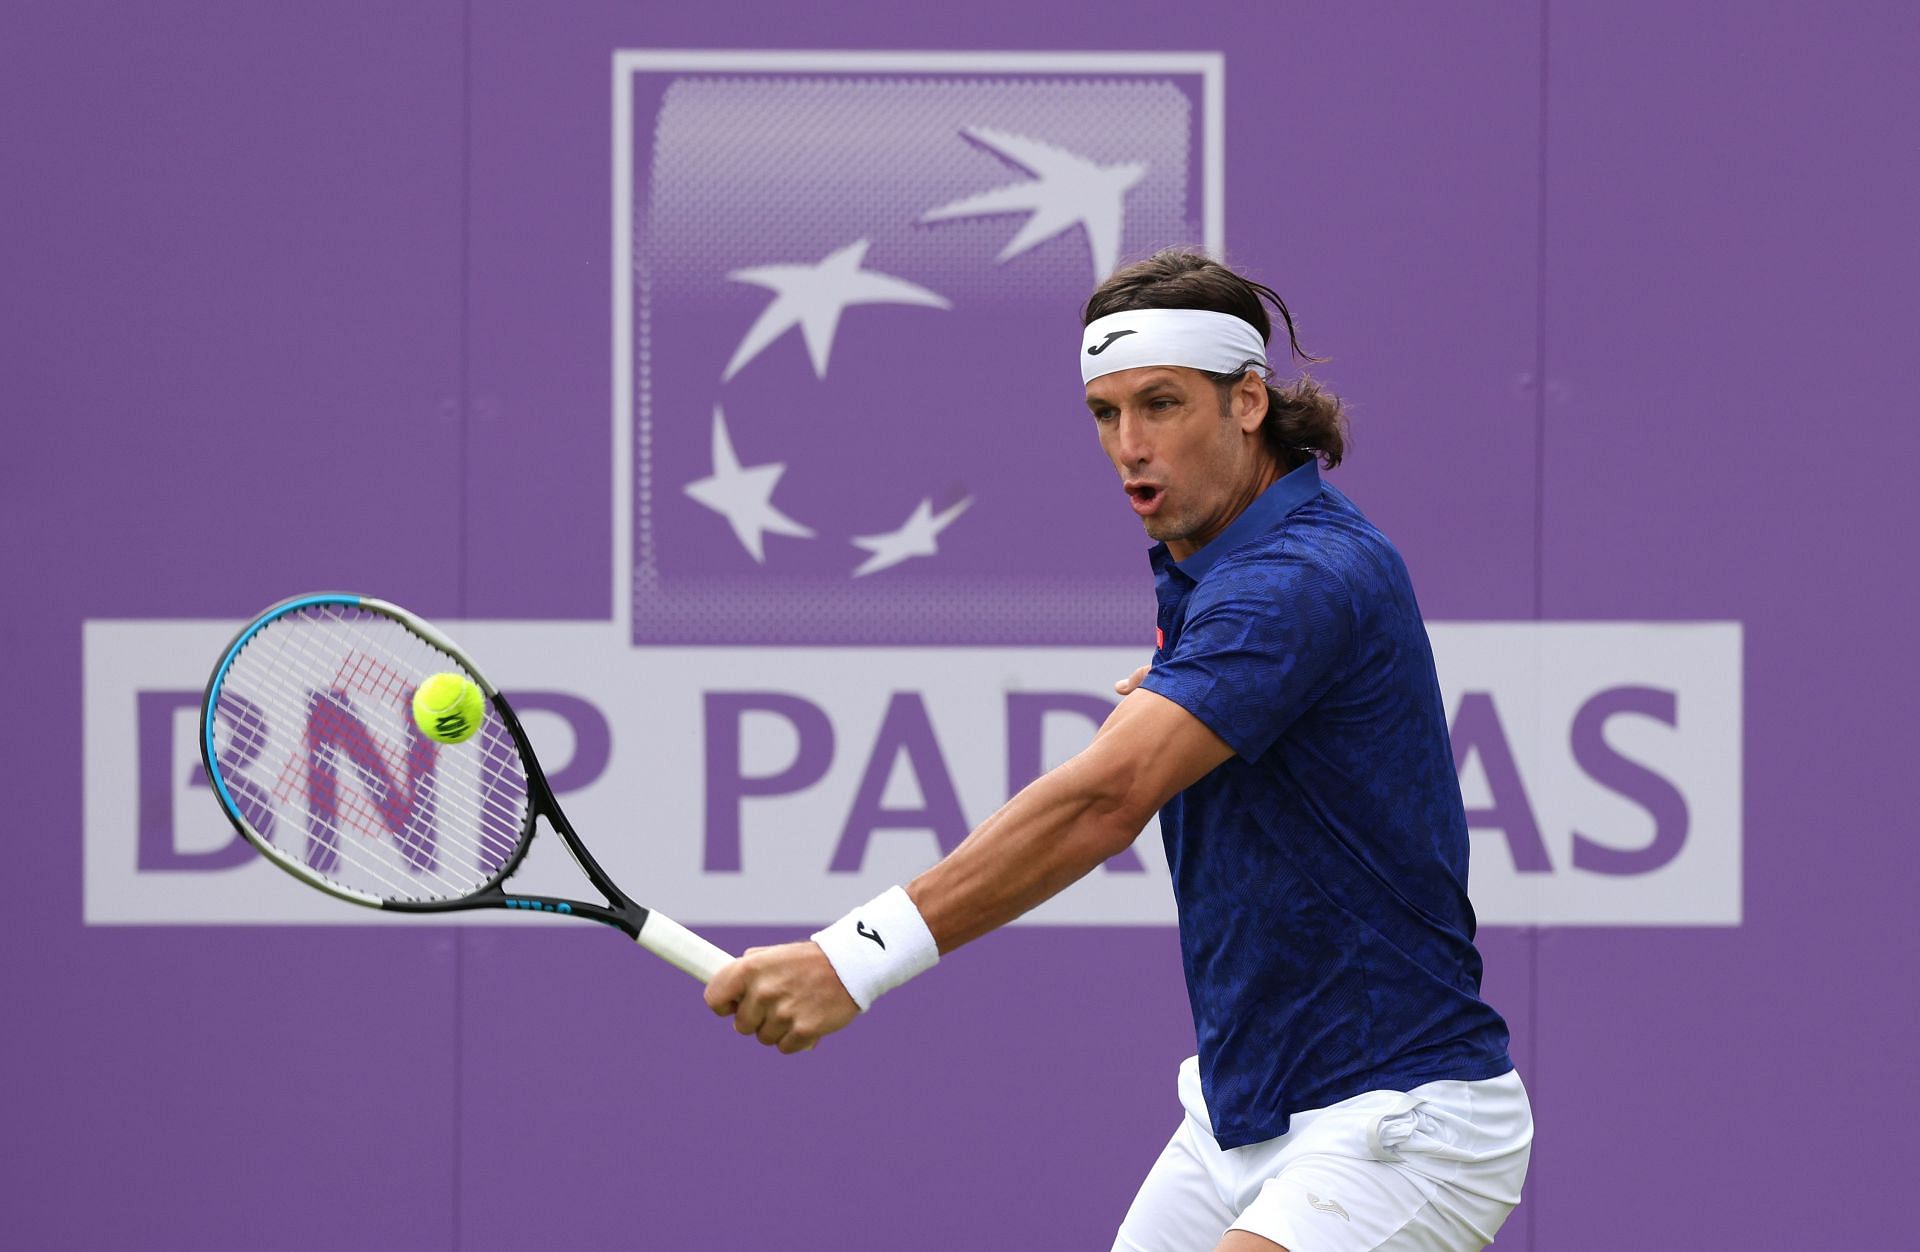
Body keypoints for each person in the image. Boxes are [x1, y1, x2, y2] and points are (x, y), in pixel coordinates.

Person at [704, 248, 1532, 1251]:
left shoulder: (1296, 578)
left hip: (1399, 1120)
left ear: (1248, 402)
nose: (1131, 445)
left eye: (1163, 404)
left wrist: (852, 958)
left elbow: (1104, 800)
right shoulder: (1217, 569)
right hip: (1240, 1118)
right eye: (1106, 413)